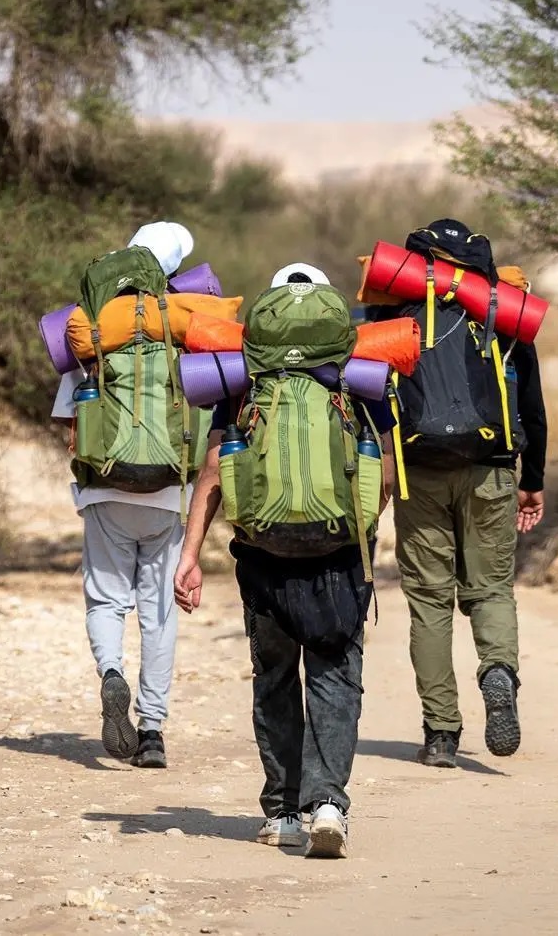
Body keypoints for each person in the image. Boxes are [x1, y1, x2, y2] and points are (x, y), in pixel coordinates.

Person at [174, 263, 394, 860]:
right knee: (334, 673)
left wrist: (190, 555)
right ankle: (328, 805)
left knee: (274, 678)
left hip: (261, 551)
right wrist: (362, 530)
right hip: (338, 552)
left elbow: (215, 470)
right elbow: (383, 473)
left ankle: (282, 812)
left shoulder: (244, 376)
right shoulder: (355, 374)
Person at [383, 221, 548, 767]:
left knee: (430, 603)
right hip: (490, 469)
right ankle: (497, 670)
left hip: (419, 472)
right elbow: (533, 408)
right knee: (492, 589)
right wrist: (532, 481)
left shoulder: (396, 316)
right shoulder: (502, 317)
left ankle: (440, 734)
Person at [52, 222, 195, 769]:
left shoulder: (94, 331)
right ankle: (152, 730)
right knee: (158, 613)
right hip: (167, 493)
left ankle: (111, 671)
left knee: (107, 601)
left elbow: (68, 418)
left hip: (105, 490)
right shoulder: (181, 326)